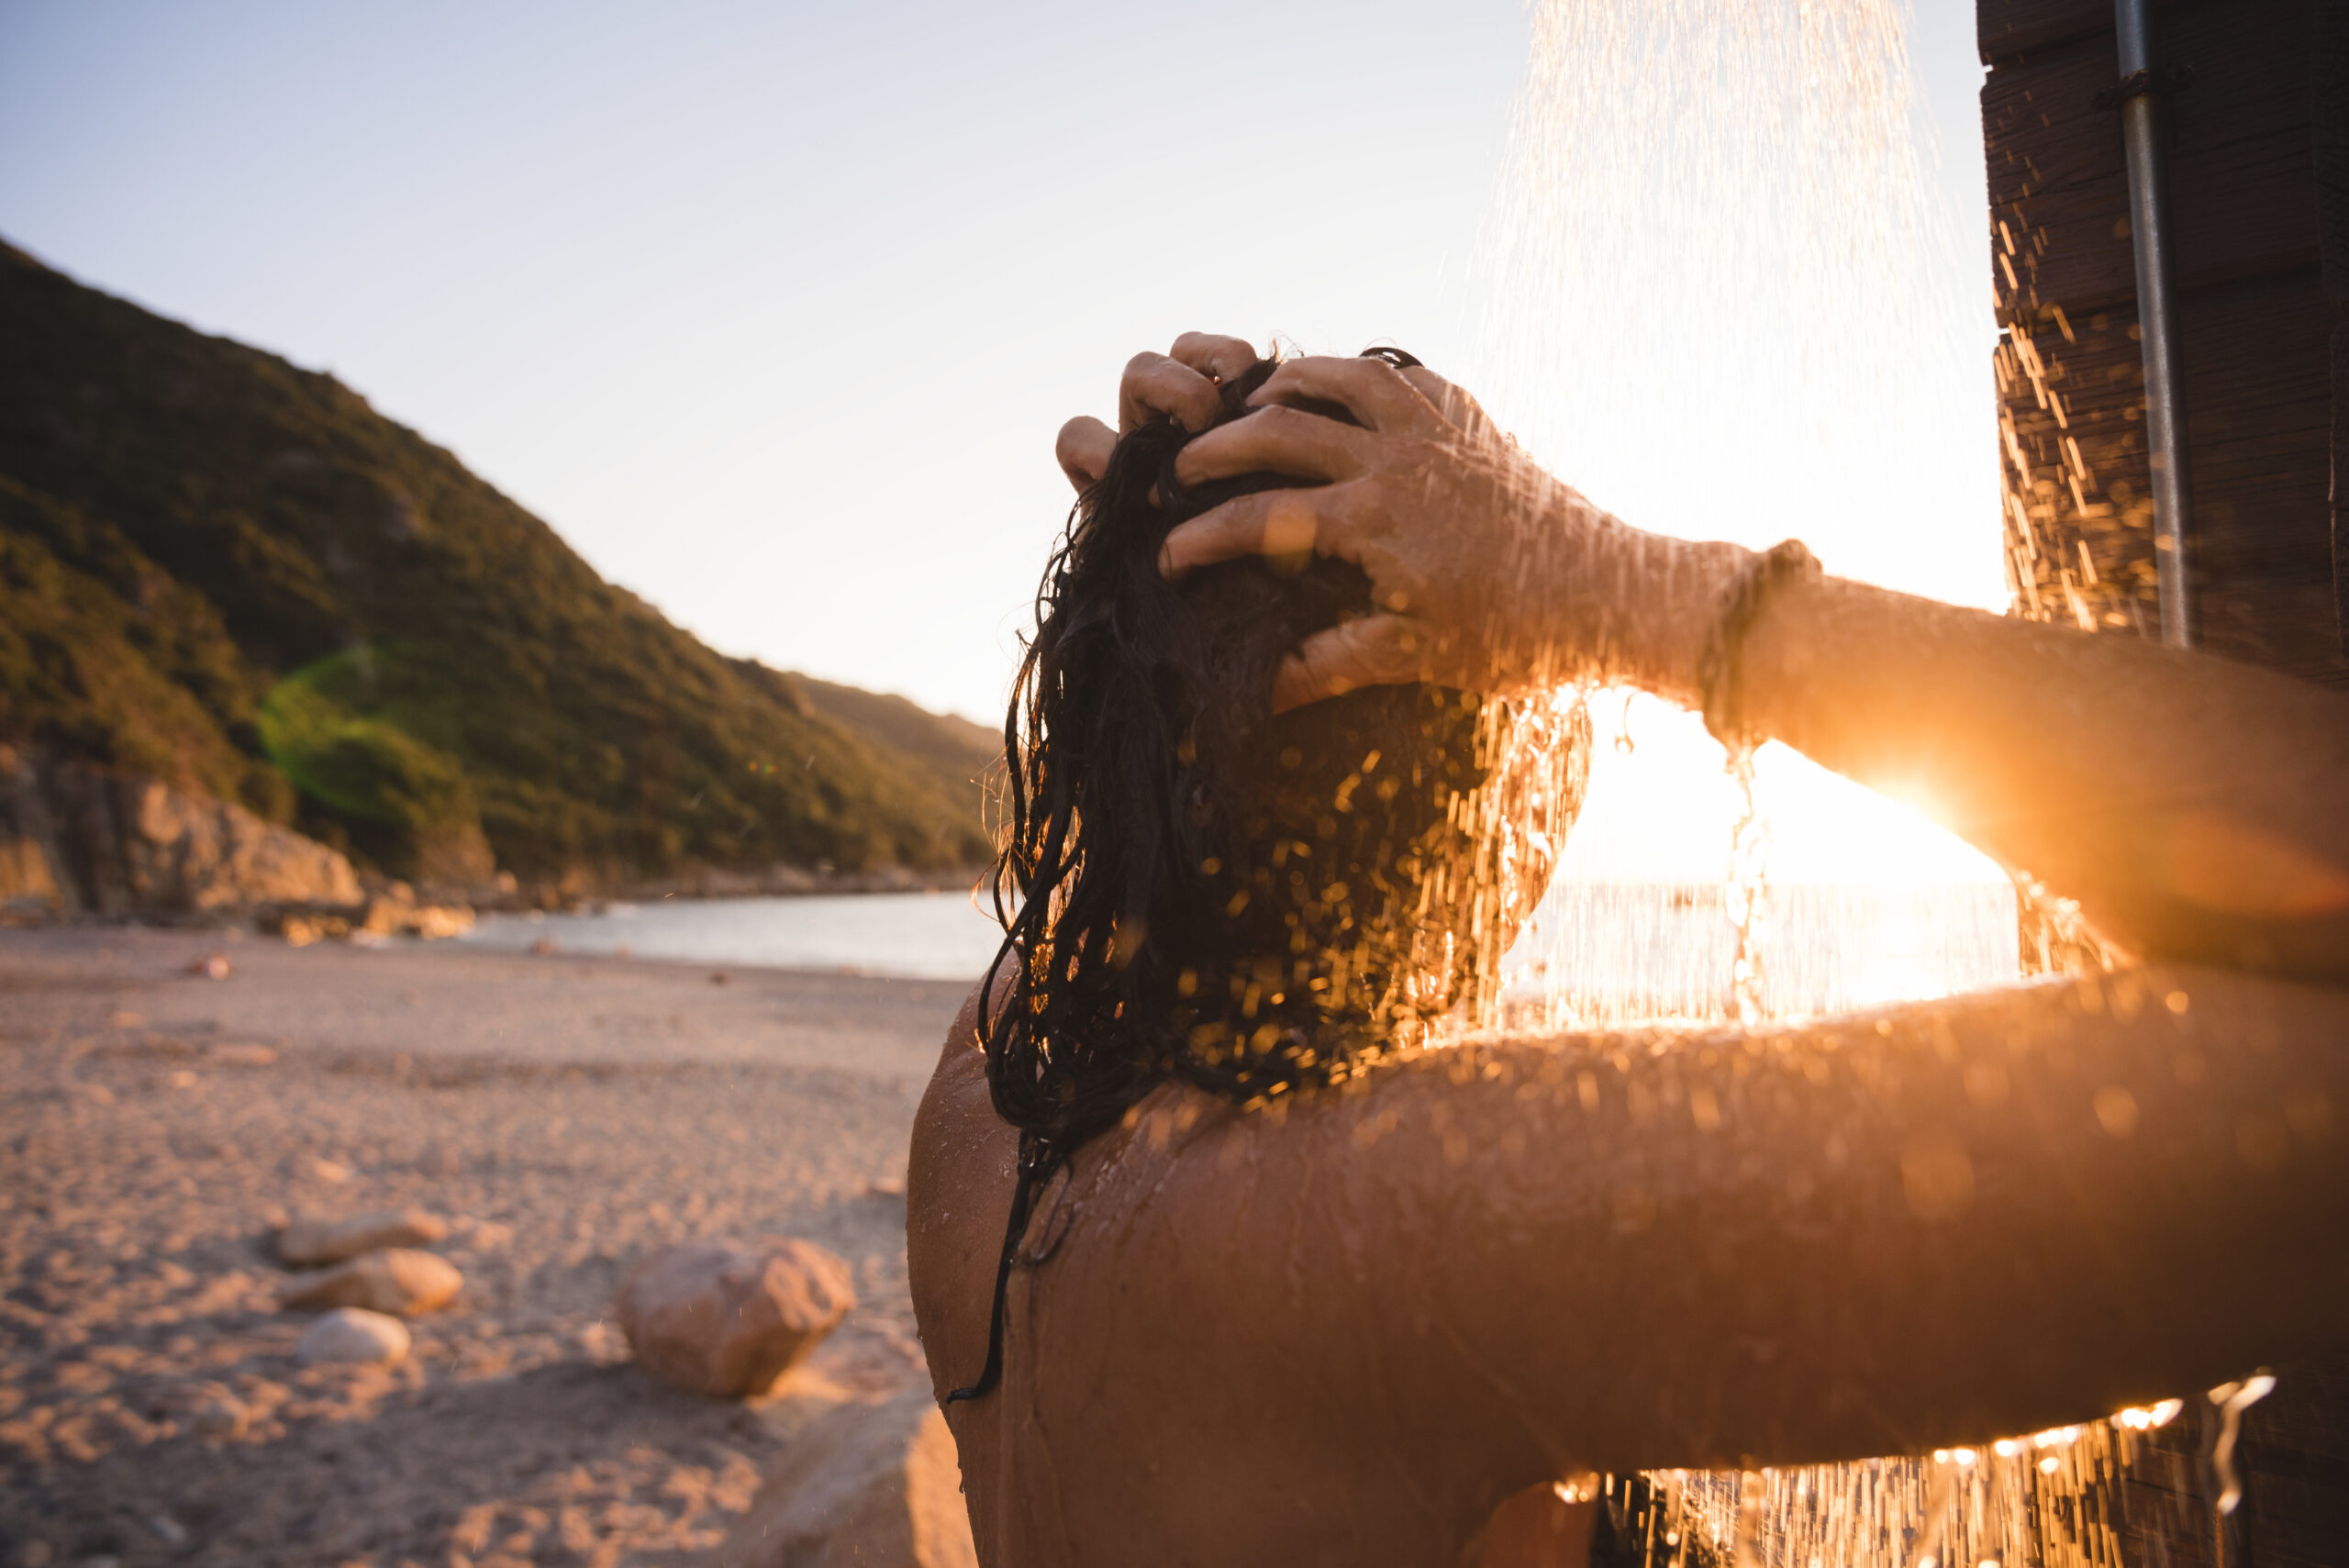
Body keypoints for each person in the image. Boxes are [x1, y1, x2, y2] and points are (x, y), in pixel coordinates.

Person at [907, 336, 2349, 1567]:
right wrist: (1612, 580)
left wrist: (1154, 612)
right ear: (1496, 800)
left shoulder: (985, 1127)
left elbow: (1128, 873)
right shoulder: (1407, 1226)